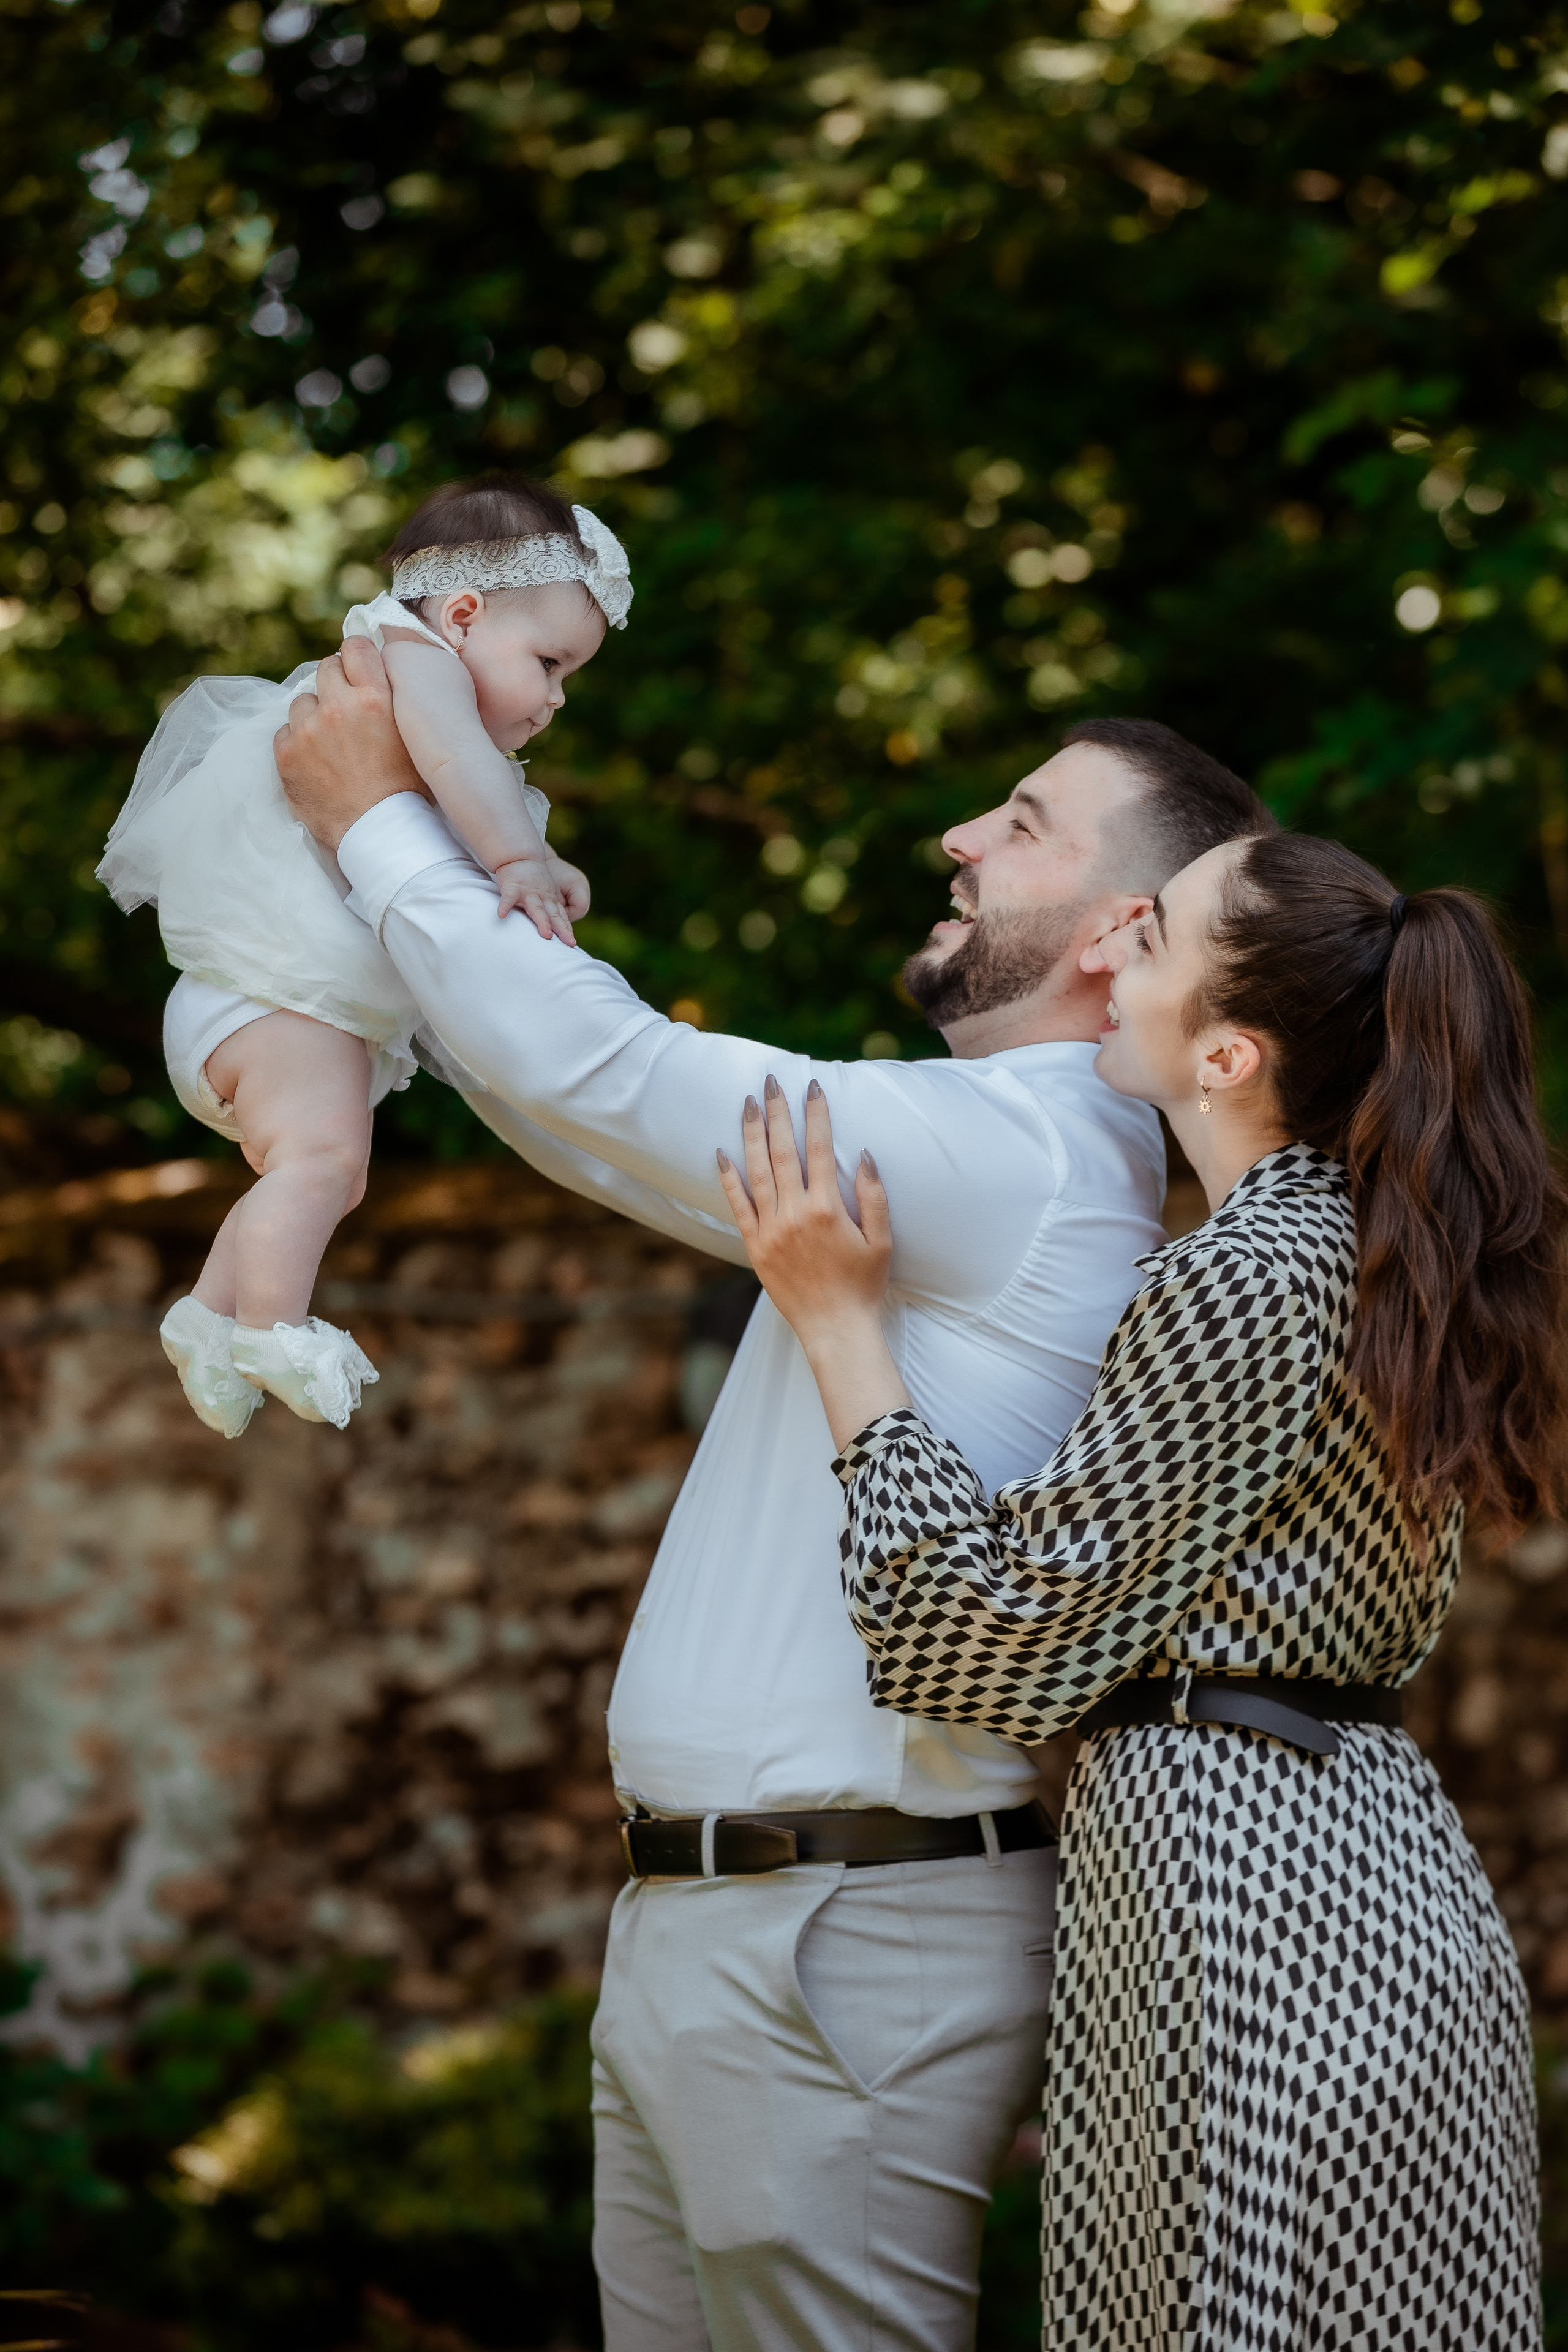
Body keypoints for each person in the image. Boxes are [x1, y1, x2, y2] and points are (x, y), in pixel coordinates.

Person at [276, 648, 1271, 2350]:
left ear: (1118, 933)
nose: (960, 835)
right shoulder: (975, 1138)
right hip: (736, 1923)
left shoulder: (1017, 1154)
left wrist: (377, 815)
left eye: (1022, 825)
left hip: (842, 1932)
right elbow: (586, 1117)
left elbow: (606, 1082)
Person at [717, 829, 1559, 2350]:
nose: (1107, 953)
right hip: (1334, 1868)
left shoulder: (1254, 1267)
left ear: (1227, 1053)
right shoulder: (1360, 1249)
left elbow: (991, 1651)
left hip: (1253, 1895)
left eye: (1150, 937)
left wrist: (841, 1329)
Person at [97, 475, 625, 1433]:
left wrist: (535, 853)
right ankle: (274, 1328)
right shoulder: (411, 662)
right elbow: (462, 770)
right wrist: (520, 858)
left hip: (259, 1004)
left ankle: (209, 1322)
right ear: (463, 614)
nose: (554, 699)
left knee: (316, 1169)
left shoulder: (400, 667)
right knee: (326, 1166)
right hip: (276, 1000)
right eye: (549, 663)